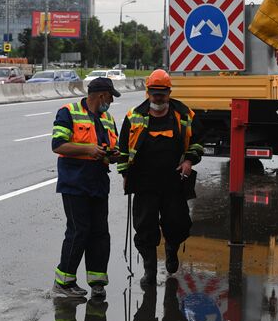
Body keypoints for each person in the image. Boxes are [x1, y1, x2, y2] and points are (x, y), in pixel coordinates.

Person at [118, 69, 204, 286]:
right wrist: (125, 174)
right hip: (144, 182)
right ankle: (149, 269)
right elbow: (122, 149)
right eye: (154, 93)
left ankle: (171, 249)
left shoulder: (184, 115)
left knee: (177, 223)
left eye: (162, 94)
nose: (158, 98)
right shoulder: (134, 116)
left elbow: (197, 142)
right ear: (148, 92)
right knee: (145, 226)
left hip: (173, 182)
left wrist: (188, 161)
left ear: (169, 92)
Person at [51, 77, 121, 298]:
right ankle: (64, 282)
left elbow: (113, 145)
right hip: (75, 182)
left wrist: (114, 154)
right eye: (110, 96)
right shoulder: (68, 112)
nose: (111, 101)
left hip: (99, 181)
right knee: (78, 231)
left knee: (100, 232)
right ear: (101, 95)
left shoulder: (108, 118)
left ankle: (97, 281)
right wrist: (88, 150)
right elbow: (58, 145)